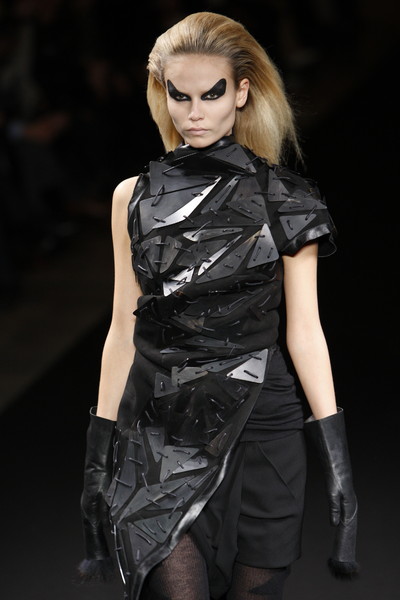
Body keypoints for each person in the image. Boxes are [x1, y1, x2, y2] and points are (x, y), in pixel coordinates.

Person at [78, 11, 358, 600]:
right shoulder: (134, 198)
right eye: (179, 95)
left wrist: (337, 458)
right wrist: (98, 455)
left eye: (212, 93)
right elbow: (123, 327)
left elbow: (305, 331)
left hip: (264, 420)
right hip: (161, 423)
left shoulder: (285, 199)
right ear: (162, 94)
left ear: (242, 92)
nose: (195, 112)